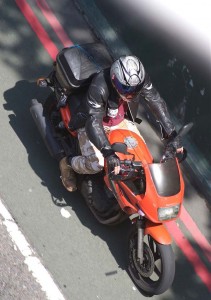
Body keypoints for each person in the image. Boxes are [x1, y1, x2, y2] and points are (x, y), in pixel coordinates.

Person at [59, 55, 183, 192]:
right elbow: (93, 121)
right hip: (92, 123)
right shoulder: (99, 87)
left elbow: (156, 100)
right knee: (97, 164)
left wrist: (172, 133)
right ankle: (68, 163)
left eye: (135, 89)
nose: (130, 94)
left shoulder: (139, 80)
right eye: (125, 88)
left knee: (144, 158)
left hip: (120, 119)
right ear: (113, 79)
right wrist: (108, 153)